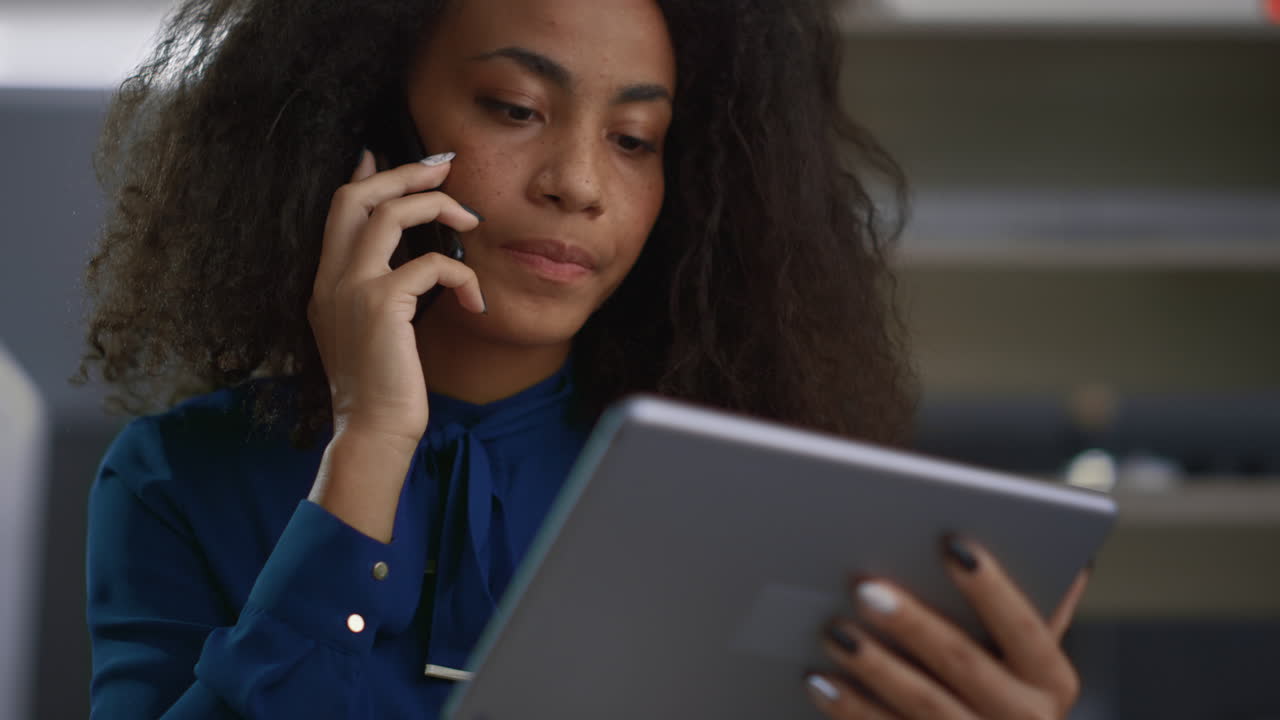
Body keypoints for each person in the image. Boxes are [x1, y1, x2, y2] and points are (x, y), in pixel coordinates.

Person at [77, 0, 1088, 718]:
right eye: (515, 108)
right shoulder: (177, 480)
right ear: (365, 118)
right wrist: (370, 444)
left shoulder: (747, 501)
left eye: (635, 139)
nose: (578, 183)